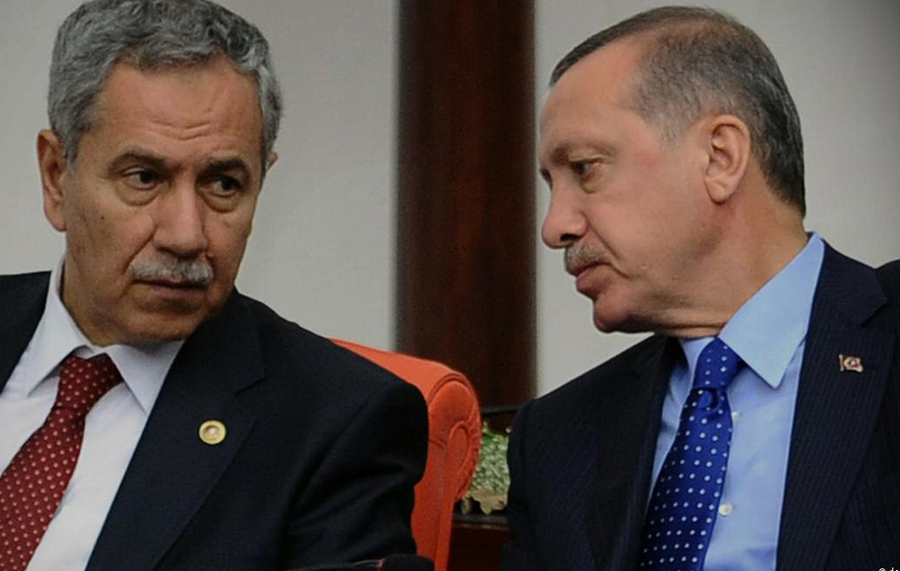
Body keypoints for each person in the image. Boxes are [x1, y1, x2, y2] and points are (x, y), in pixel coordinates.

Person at [0, 1, 428, 570]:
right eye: (144, 178)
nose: (186, 234)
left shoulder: (336, 425)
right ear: (57, 177)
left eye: (223, 184)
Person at [503, 6, 900, 571]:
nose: (554, 226)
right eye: (551, 183)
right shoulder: (557, 439)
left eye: (585, 168)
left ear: (720, 158)